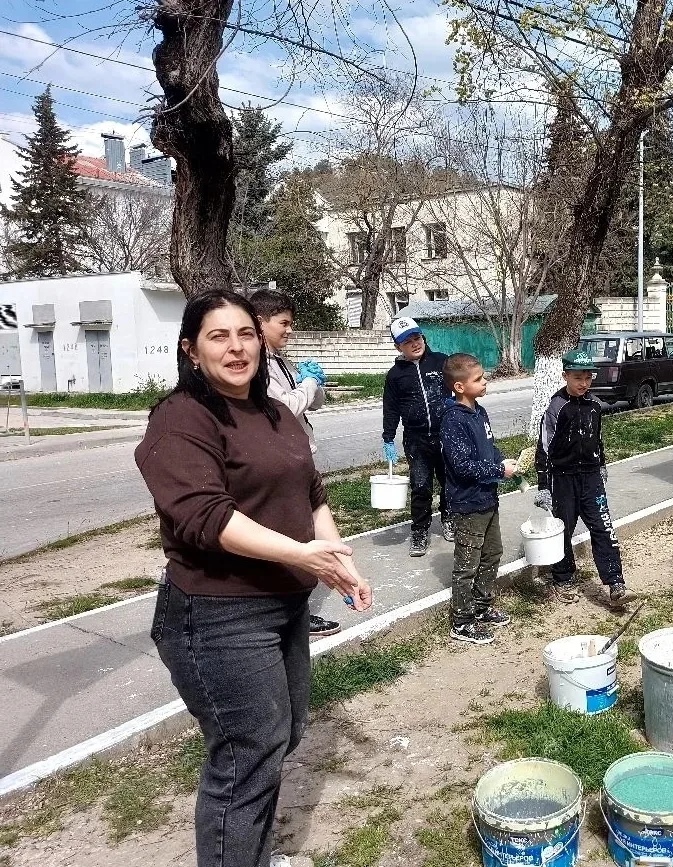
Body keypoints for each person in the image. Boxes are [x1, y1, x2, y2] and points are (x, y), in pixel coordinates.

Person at [135, 290, 373, 867]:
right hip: (218, 614)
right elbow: (206, 516)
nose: (237, 348)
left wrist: (338, 561)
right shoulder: (181, 418)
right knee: (247, 754)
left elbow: (311, 494)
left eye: (245, 333)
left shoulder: (275, 413)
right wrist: (302, 555)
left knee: (282, 736)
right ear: (191, 350)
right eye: (218, 336)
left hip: (284, 606)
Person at [250, 288, 341, 638]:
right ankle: (292, 613)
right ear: (260, 322)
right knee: (292, 535)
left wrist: (314, 384)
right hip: (281, 459)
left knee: (302, 530)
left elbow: (312, 403)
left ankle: (294, 608)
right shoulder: (258, 364)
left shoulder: (281, 360)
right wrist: (308, 384)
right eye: (283, 323)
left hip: (298, 455)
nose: (290, 330)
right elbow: (284, 409)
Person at [533, 349, 635, 607]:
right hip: (562, 479)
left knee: (603, 526)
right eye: (578, 377)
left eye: (588, 378)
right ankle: (563, 578)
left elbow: (597, 439)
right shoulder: (556, 408)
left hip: (590, 478)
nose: (584, 383)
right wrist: (544, 485)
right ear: (565, 375)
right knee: (562, 530)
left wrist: (601, 464)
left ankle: (615, 583)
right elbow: (543, 448)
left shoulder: (595, 406)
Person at [440, 353, 517, 644]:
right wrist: (498, 470)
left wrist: (502, 462)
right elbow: (462, 466)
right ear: (459, 387)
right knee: (467, 565)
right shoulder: (453, 420)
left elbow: (490, 447)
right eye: (478, 379)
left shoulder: (479, 412)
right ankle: (461, 622)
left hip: (488, 498)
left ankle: (482, 607)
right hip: (467, 504)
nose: (485, 382)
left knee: (492, 553)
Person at [382, 316, 452, 557]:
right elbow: (391, 408)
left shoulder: (441, 362)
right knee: (421, 486)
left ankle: (449, 518)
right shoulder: (395, 375)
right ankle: (420, 531)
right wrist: (388, 437)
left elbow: (460, 387)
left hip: (446, 435)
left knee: (449, 481)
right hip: (416, 440)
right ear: (398, 347)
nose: (415, 344)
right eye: (407, 341)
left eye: (417, 337)